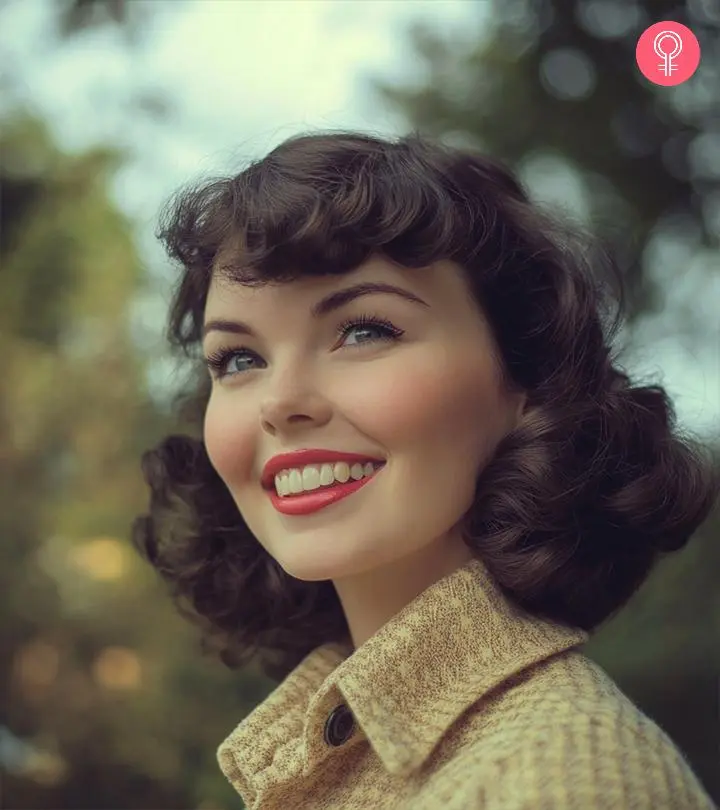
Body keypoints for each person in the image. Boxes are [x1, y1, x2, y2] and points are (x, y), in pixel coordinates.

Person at [131, 130, 719, 809]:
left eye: (364, 330)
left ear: (524, 378)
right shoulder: (334, 751)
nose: (280, 403)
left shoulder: (562, 776)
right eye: (239, 359)